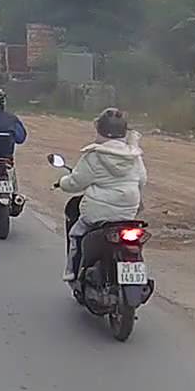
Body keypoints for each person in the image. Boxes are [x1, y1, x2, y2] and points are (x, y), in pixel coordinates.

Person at [57, 107, 148, 282]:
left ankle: (71, 272)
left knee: (76, 234)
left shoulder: (94, 156)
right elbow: (142, 179)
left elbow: (76, 182)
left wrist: (62, 182)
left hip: (97, 214)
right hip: (128, 213)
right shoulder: (134, 156)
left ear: (99, 129)